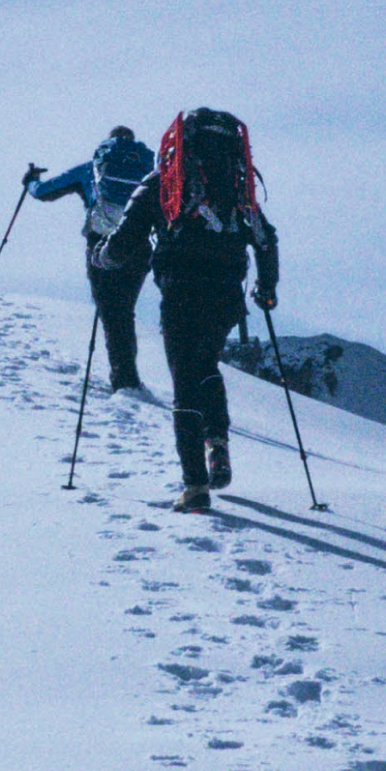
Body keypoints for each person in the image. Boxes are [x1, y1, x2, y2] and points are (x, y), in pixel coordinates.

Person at [98, 108, 279, 512]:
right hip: (226, 295)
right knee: (206, 365)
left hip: (180, 291)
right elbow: (266, 239)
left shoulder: (165, 180)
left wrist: (103, 258)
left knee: (184, 380)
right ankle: (217, 442)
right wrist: (266, 288)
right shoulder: (236, 187)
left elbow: (125, 238)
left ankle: (195, 486)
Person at [24, 125, 158, 396]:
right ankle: (127, 378)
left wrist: (30, 181)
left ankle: (125, 382)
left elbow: (45, 191)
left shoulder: (92, 169)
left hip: (101, 245)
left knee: (112, 313)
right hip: (139, 247)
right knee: (124, 311)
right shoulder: (148, 172)